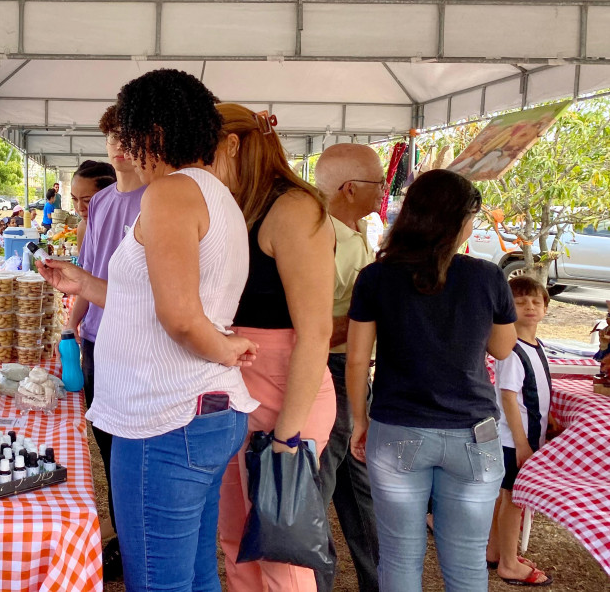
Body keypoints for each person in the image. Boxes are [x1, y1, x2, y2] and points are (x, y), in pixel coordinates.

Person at [38, 68, 259, 592]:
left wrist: (224, 350)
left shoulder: (171, 193)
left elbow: (181, 317)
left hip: (165, 420)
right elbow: (155, 300)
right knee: (197, 571)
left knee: (158, 580)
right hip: (195, 415)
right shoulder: (213, 193)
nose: (126, 152)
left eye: (129, 137)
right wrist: (85, 284)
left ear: (153, 136)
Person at [346, 169, 517, 591]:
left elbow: (355, 360)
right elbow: (503, 347)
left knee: (400, 559)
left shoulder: (376, 276)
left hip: (398, 428)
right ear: (457, 220)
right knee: (466, 564)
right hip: (475, 435)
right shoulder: (487, 276)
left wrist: (359, 421)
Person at [211, 103, 337, 592]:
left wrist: (287, 437)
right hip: (233, 394)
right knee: (235, 542)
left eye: (203, 154)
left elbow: (315, 333)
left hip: (286, 396)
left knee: (281, 555)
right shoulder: (234, 206)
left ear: (233, 145)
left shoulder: (295, 209)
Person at [62, 105, 146, 580]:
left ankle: (131, 539)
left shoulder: (162, 198)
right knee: (108, 444)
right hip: (97, 340)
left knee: (132, 450)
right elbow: (87, 274)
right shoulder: (105, 203)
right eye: (112, 137)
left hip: (137, 346)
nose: (117, 146)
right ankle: (123, 536)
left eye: (126, 135)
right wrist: (74, 324)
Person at [312, 143, 385, 592]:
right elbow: (313, 325)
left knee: (361, 486)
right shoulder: (326, 238)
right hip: (330, 372)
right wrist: (371, 320)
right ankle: (315, 580)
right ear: (350, 188)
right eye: (379, 183)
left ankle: (380, 580)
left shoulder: (353, 229)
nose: (384, 192)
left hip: (350, 373)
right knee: (319, 486)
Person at [485, 277, 554, 587]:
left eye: (536, 302)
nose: (529, 306)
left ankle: (495, 551)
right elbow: (509, 399)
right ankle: (510, 564)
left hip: (522, 439)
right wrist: (523, 444)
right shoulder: (513, 350)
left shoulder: (536, 346)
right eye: (520, 301)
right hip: (514, 441)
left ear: (545, 309)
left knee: (506, 498)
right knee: (515, 501)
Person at [69, 160, 116, 249]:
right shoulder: (83, 228)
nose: (80, 208)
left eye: (87, 200)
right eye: (74, 199)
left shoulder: (127, 229)